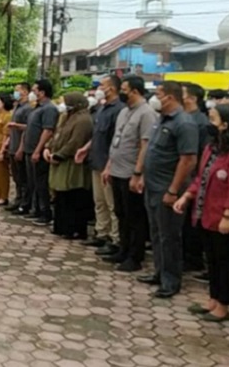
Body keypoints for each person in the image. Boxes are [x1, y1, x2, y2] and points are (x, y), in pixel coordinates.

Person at [174, 103, 229, 322]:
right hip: (206, 214)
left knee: (225, 261)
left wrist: (228, 215)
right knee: (213, 261)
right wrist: (186, 196)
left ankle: (223, 305)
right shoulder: (211, 148)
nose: (210, 123)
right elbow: (201, 177)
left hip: (226, 219)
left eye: (214, 119)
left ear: (225, 125)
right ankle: (213, 300)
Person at [134, 81, 198, 299]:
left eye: (158, 94)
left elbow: (188, 160)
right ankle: (159, 272)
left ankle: (171, 281)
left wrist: (173, 190)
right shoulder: (161, 119)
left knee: (169, 236)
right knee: (157, 233)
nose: (155, 98)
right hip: (152, 186)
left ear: (170, 97)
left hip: (168, 189)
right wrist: (141, 175)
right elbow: (151, 151)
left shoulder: (184, 123)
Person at [102, 75, 157, 273]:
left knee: (135, 217)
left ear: (134, 91)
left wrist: (137, 173)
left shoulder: (147, 114)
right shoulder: (124, 112)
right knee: (121, 213)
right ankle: (123, 250)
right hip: (116, 169)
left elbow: (145, 145)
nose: (121, 92)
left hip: (131, 173)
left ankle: (135, 256)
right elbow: (116, 141)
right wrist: (108, 166)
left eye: (124, 89)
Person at [76, 76, 125, 255]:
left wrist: (110, 165)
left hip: (108, 163)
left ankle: (115, 238)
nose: (99, 88)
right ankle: (101, 233)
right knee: (99, 201)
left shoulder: (118, 110)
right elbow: (97, 135)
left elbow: (116, 141)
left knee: (112, 204)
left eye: (102, 85)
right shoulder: (102, 108)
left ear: (111, 88)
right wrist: (85, 148)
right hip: (96, 161)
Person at [46, 92, 94, 239]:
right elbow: (57, 135)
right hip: (59, 161)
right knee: (61, 196)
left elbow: (75, 142)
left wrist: (60, 155)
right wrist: (48, 148)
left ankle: (73, 229)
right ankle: (61, 226)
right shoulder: (67, 117)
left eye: (66, 102)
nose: (63, 105)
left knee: (73, 196)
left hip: (73, 163)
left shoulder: (83, 120)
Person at [19, 79, 59, 225]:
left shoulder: (49, 109)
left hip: (39, 151)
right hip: (29, 150)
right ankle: (36, 210)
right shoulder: (36, 108)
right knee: (33, 182)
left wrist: (38, 150)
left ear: (42, 93)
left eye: (35, 91)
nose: (32, 94)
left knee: (41, 183)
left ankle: (45, 212)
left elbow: (47, 131)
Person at [182, 83, 210, 273]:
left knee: (190, 222)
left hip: (192, 178)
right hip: (184, 176)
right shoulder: (186, 118)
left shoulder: (200, 122)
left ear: (192, 98)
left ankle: (192, 260)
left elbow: (200, 154)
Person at [5, 83, 32, 211]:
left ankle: (24, 203)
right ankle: (18, 198)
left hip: (20, 146)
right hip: (13, 144)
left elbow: (28, 128)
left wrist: (21, 148)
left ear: (25, 92)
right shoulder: (17, 107)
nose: (15, 93)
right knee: (16, 177)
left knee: (23, 178)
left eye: (18, 90)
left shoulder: (28, 108)